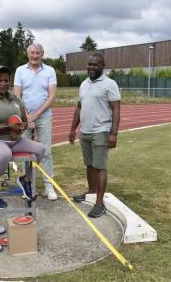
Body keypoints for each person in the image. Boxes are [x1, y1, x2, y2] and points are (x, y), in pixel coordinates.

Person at [0, 65, 45, 208]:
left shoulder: (15, 98)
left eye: (6, 80)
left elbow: (25, 121)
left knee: (41, 149)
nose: (3, 83)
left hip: (13, 139)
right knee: (4, 154)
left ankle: (25, 180)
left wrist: (19, 128)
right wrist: (7, 127)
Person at [68, 53, 121, 218]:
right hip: (85, 132)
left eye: (95, 65)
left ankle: (99, 203)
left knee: (99, 166)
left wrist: (113, 134)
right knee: (89, 165)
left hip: (101, 131)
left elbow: (116, 109)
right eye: (89, 64)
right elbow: (79, 107)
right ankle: (90, 193)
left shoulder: (110, 84)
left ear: (102, 66)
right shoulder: (83, 84)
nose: (91, 67)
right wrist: (72, 129)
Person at [13, 43, 58, 201]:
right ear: (28, 54)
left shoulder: (50, 71)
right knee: (26, 153)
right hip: (24, 117)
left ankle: (48, 185)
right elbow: (17, 94)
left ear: (42, 54)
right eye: (32, 53)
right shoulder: (20, 70)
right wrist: (26, 116)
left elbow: (52, 95)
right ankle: (29, 184)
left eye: (38, 53)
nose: (35, 55)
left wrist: (37, 114)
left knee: (45, 151)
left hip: (44, 116)